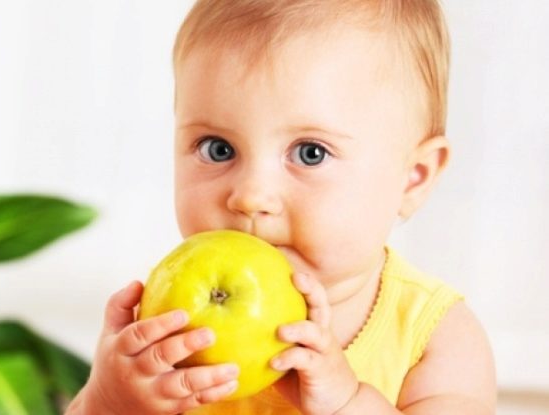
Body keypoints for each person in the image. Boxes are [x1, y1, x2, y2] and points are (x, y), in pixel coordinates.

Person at [66, 0, 497, 413]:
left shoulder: (436, 337)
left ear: (413, 177)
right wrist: (110, 401)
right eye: (218, 149)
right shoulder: (172, 320)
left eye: (310, 152)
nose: (251, 196)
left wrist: (346, 403)